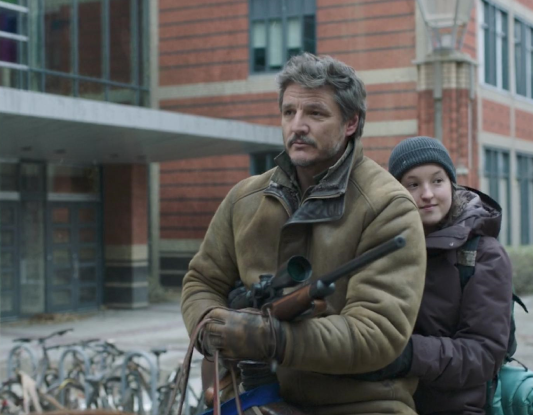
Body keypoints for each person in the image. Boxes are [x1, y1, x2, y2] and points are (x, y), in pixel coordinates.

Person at [180, 53, 427, 415]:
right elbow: (201, 281)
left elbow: (377, 333)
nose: (297, 125)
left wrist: (270, 337)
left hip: (360, 403)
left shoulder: (387, 206)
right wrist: (211, 329)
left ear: (350, 123)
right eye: (288, 112)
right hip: (250, 398)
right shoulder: (244, 198)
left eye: (315, 113)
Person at [358, 136, 513, 415]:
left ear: (451, 184)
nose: (427, 194)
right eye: (413, 184)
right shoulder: (380, 249)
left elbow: (484, 354)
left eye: (437, 181)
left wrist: (407, 356)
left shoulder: (484, 255)